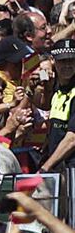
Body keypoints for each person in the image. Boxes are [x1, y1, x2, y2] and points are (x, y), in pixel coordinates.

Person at [40, 39, 75, 172]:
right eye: (62, 61)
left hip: (70, 169)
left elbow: (72, 139)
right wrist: (43, 72)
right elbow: (42, 104)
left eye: (71, 60)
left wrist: (45, 168)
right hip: (57, 165)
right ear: (53, 60)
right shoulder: (55, 86)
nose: (67, 65)